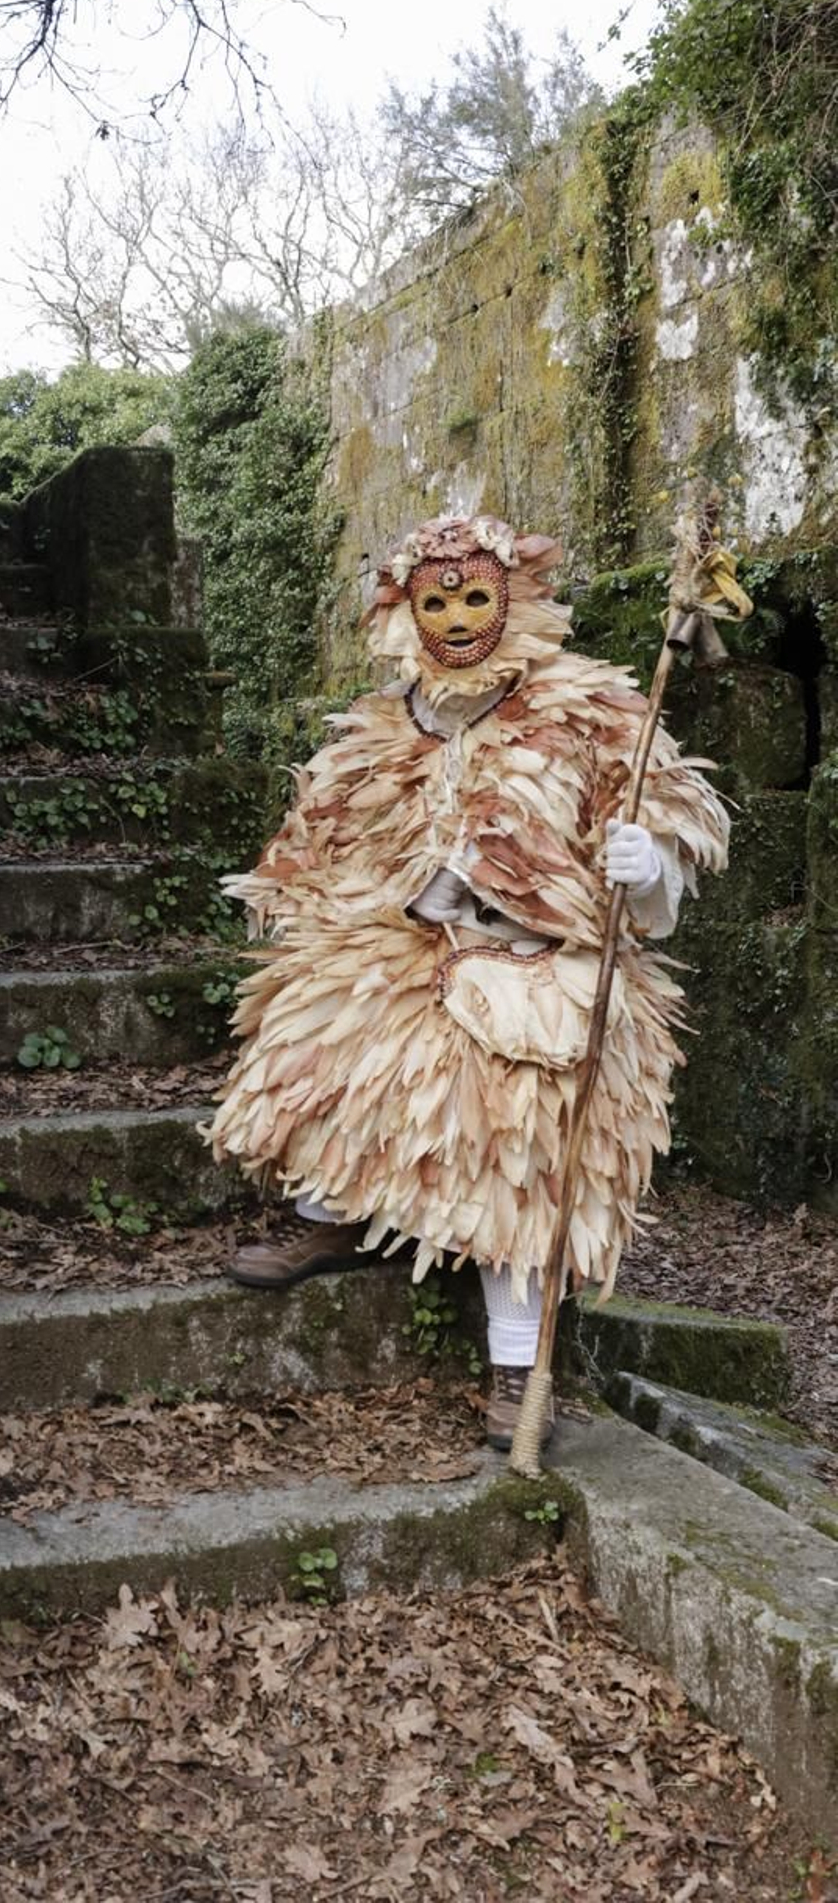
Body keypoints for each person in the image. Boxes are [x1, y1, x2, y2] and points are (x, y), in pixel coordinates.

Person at [207, 511, 730, 1451]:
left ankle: (519, 1363)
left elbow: (663, 809)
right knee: (326, 1027)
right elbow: (319, 833)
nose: (454, 618)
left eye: (475, 596)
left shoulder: (586, 704)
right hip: (403, 945)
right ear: (406, 609)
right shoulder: (383, 720)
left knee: (520, 1126)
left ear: (512, 598)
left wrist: (645, 858)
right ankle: (333, 1218)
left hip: (539, 956)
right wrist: (298, 902)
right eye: (435, 600)